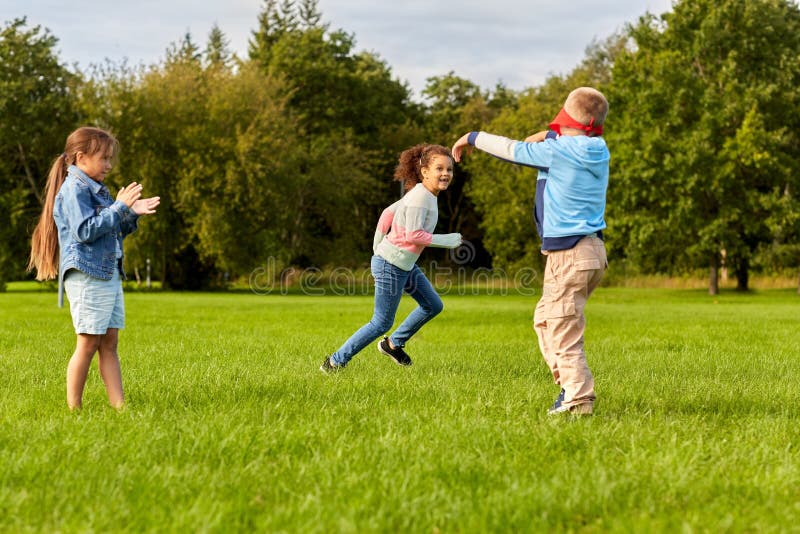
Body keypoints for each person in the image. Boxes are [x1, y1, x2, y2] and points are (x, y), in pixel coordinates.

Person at [452, 87, 609, 416]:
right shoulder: (596, 147)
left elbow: (512, 149)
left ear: (567, 123)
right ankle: (568, 384)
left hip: (570, 253)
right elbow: (556, 138)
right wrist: (553, 133)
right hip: (591, 252)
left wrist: (472, 136)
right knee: (544, 320)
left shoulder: (560, 152)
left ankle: (578, 401)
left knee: (564, 330)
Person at [28, 126, 160, 410]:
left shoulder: (98, 190)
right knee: (88, 343)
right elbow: (85, 231)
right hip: (88, 275)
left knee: (109, 342)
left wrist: (129, 212)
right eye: (104, 158)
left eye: (110, 158)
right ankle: (74, 409)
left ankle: (120, 408)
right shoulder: (74, 190)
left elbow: (110, 232)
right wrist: (118, 208)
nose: (109, 165)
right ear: (80, 157)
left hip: (107, 273)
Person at [320, 144, 462, 373]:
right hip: (391, 265)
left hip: (403, 264)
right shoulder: (420, 198)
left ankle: (392, 344)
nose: (446, 174)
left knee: (432, 305)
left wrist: (377, 245)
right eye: (439, 169)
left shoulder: (425, 194)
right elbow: (413, 235)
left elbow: (388, 212)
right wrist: (445, 240)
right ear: (425, 171)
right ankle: (334, 362)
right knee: (381, 322)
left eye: (449, 169)